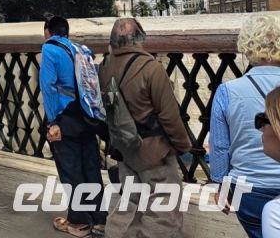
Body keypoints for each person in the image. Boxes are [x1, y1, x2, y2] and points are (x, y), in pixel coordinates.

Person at [95, 18, 191, 238]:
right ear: (140, 38)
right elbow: (169, 116)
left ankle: (114, 233)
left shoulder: (105, 67)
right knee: (164, 208)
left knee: (130, 201)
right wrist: (182, 146)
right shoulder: (150, 68)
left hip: (124, 147)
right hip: (153, 151)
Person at [209, 14, 280, 238]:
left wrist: (221, 186)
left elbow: (219, 146)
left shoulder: (227, 91)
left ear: (247, 49)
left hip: (248, 188)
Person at [41, 15, 107, 237]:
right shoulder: (81, 50)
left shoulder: (50, 49)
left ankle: (79, 222)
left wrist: (52, 122)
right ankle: (99, 219)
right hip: (87, 116)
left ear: (48, 31)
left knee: (71, 171)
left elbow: (48, 86)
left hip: (65, 118)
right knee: (91, 168)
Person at [258, 87, 280, 236]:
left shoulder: (275, 213)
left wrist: (222, 185)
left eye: (264, 120)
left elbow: (220, 146)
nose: (260, 128)